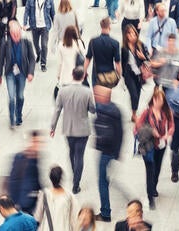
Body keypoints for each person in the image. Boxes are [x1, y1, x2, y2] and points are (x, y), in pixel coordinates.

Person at [50, 67, 96, 194]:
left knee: (71, 152)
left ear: (72, 75)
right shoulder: (87, 92)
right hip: (82, 129)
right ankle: (76, 184)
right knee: (79, 155)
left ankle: (74, 173)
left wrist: (52, 127)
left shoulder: (63, 91)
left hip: (68, 128)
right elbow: (93, 109)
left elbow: (57, 110)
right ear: (83, 77)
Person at [134, 87, 174, 210]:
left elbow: (172, 126)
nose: (158, 102)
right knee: (150, 170)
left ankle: (154, 187)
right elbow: (137, 128)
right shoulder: (147, 112)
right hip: (149, 146)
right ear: (153, 99)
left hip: (161, 145)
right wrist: (151, 131)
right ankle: (150, 197)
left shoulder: (166, 112)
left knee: (157, 169)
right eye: (156, 99)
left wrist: (168, 135)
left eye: (161, 99)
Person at [92, 86, 123, 222]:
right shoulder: (115, 110)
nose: (95, 96)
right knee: (104, 179)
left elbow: (108, 134)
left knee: (102, 182)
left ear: (104, 97)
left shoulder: (104, 111)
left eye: (97, 94)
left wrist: (99, 140)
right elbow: (121, 132)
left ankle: (105, 213)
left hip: (106, 151)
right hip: (112, 151)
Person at [0, 21, 36, 128]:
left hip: (22, 72)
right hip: (10, 72)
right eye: (14, 35)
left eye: (18, 34)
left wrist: (30, 72)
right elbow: (1, 60)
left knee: (20, 96)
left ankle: (18, 114)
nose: (16, 37)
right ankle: (12, 118)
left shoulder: (27, 43)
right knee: (11, 96)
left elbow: (32, 59)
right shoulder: (5, 44)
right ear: (10, 33)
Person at [8, 131, 43, 214]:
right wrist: (15, 202)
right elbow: (13, 180)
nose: (37, 145)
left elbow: (36, 180)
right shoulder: (21, 157)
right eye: (35, 142)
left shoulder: (36, 157)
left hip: (34, 201)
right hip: (24, 203)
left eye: (39, 142)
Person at [34, 166, 77, 230]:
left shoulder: (44, 194)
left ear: (50, 178)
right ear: (61, 178)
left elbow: (38, 217)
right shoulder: (69, 196)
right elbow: (74, 219)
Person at [122, 25, 150, 121]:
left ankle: (134, 111)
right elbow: (122, 63)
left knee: (137, 95)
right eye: (130, 33)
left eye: (134, 33)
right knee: (134, 94)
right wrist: (123, 77)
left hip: (139, 74)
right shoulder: (124, 49)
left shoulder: (141, 45)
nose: (132, 36)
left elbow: (148, 59)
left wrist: (143, 58)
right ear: (126, 35)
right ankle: (134, 115)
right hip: (129, 74)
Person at [83, 17, 122, 87]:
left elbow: (88, 59)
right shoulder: (115, 43)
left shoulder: (93, 42)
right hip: (109, 76)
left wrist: (84, 72)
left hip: (96, 75)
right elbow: (117, 63)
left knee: (97, 96)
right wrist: (119, 75)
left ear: (101, 26)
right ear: (110, 26)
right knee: (107, 96)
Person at [23, 0, 55, 72]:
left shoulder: (49, 1)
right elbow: (26, 12)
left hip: (45, 26)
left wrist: (55, 24)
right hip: (34, 26)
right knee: (35, 44)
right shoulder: (30, 1)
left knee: (44, 45)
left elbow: (53, 13)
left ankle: (43, 63)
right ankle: (39, 53)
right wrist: (25, 23)